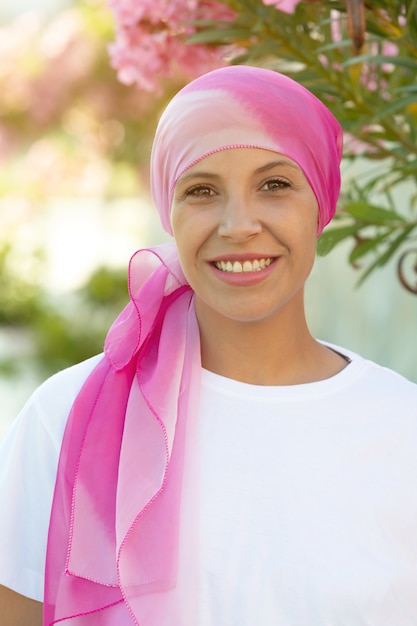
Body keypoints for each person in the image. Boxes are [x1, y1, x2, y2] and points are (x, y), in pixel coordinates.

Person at [0, 65, 417, 626]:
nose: (238, 225)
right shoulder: (67, 416)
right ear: (168, 213)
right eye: (201, 191)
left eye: (274, 184)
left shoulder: (401, 426)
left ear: (321, 201)